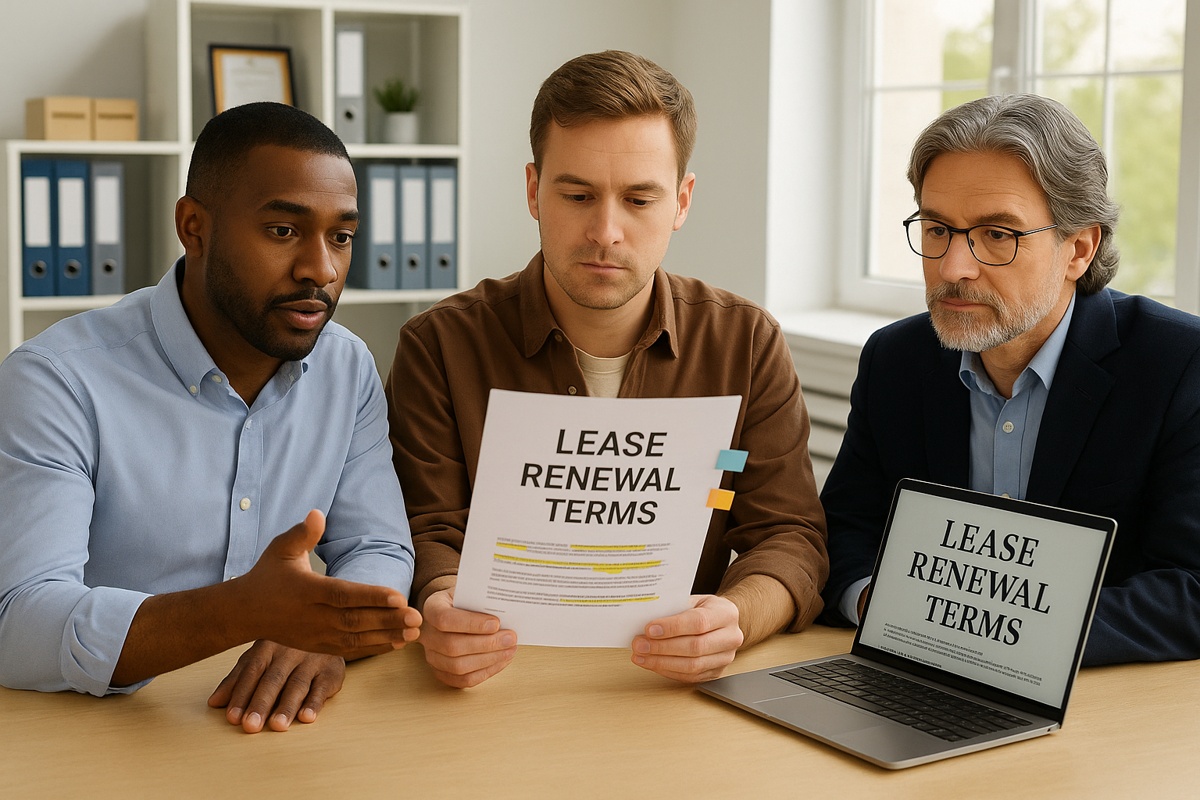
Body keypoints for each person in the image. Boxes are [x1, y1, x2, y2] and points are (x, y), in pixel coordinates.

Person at [386, 50, 828, 689]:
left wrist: (735, 617)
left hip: (665, 688)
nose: (606, 231)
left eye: (639, 198)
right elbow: (428, 532)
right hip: (499, 684)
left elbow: (789, 537)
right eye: (578, 194)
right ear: (535, 191)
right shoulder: (440, 344)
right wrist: (443, 607)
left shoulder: (747, 343)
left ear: (681, 201)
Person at [0, 102, 422, 731]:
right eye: (283, 231)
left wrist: (330, 632)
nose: (323, 270)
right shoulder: (56, 380)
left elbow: (379, 545)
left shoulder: (347, 367)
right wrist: (241, 613)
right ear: (194, 226)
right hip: (101, 737)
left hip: (276, 742)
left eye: (341, 236)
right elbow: (19, 624)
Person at [820, 93, 1200, 665]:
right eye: (937, 229)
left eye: (998, 234)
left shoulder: (1178, 363)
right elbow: (845, 529)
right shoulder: (896, 359)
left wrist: (989, 639)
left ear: (1078, 248)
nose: (953, 268)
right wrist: (881, 604)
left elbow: (1189, 587)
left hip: (1100, 710)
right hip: (911, 677)